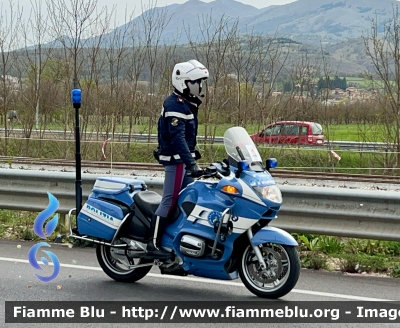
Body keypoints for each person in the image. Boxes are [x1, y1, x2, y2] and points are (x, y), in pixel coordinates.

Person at [146, 59, 209, 258]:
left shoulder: (186, 104)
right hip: (175, 160)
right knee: (169, 200)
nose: (199, 86)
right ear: (183, 83)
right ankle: (152, 243)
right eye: (195, 82)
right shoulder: (174, 104)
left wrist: (194, 155)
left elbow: (187, 137)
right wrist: (191, 163)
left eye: (200, 82)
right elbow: (177, 137)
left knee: (189, 198)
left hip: (182, 158)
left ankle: (175, 239)